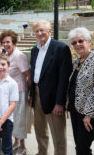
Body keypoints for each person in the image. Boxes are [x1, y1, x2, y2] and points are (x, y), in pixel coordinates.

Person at [29, 20, 72, 155]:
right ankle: (42, 152)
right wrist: (31, 95)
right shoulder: (34, 50)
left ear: (49, 31)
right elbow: (34, 73)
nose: (40, 33)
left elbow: (64, 78)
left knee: (58, 133)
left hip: (54, 97)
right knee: (40, 129)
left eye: (42, 30)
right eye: (37, 31)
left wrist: (60, 102)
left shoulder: (61, 48)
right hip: (37, 94)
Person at [68, 27, 94, 155]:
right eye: (74, 43)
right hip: (75, 111)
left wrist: (89, 114)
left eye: (80, 41)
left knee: (82, 148)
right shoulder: (76, 62)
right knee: (79, 147)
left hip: (90, 114)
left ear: (89, 41)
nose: (77, 45)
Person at [0, 30, 31, 155]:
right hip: (9, 93)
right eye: (4, 42)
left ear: (13, 42)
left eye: (8, 42)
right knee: (12, 119)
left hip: (20, 93)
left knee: (19, 119)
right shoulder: (6, 55)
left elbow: (27, 75)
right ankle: (16, 141)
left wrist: (29, 94)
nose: (6, 44)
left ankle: (23, 146)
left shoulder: (19, 56)